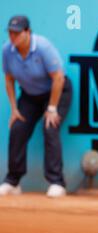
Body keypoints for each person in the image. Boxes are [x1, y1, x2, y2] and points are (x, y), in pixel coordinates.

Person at [0, 15, 72, 197]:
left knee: (50, 127)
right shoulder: (7, 51)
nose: (13, 37)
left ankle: (57, 182)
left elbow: (58, 78)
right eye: (10, 33)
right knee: (17, 128)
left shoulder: (43, 47)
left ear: (27, 32)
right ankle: (13, 182)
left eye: (17, 33)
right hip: (30, 96)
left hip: (56, 92)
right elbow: (8, 79)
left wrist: (52, 108)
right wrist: (14, 109)